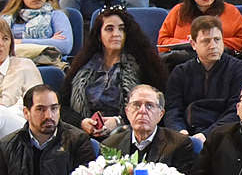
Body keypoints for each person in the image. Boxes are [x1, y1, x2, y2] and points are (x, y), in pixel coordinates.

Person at [68, 8, 168, 137]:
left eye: (121, 29)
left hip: (128, 133)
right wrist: (81, 122)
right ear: (99, 35)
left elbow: (154, 108)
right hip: (84, 135)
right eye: (109, 29)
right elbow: (63, 108)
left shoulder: (144, 65)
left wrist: (118, 121)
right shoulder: (82, 64)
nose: (116, 34)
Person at [100, 82, 198, 172]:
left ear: (160, 114)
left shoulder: (178, 144)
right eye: (136, 105)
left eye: (149, 106)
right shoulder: (110, 144)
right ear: (127, 112)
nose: (142, 111)